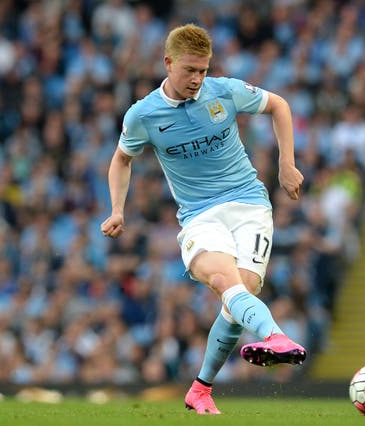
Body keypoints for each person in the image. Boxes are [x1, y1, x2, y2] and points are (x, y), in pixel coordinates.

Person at [100, 23, 307, 414]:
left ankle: (200, 388)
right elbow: (121, 159)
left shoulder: (224, 91)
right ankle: (276, 336)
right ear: (168, 63)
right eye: (189, 70)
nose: (197, 79)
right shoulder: (143, 114)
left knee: (238, 298)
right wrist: (117, 209)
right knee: (222, 280)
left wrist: (286, 164)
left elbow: (279, 105)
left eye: (203, 70)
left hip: (250, 206)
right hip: (199, 215)